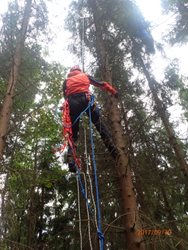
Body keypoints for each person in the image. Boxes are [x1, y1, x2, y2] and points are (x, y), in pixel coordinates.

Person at [63, 65, 118, 172]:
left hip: (72, 103)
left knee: (73, 134)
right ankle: (112, 150)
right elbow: (102, 84)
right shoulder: (85, 75)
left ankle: (70, 159)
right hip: (86, 100)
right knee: (99, 124)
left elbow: (65, 96)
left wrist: (66, 106)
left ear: (71, 72)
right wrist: (114, 92)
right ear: (79, 70)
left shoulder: (66, 81)